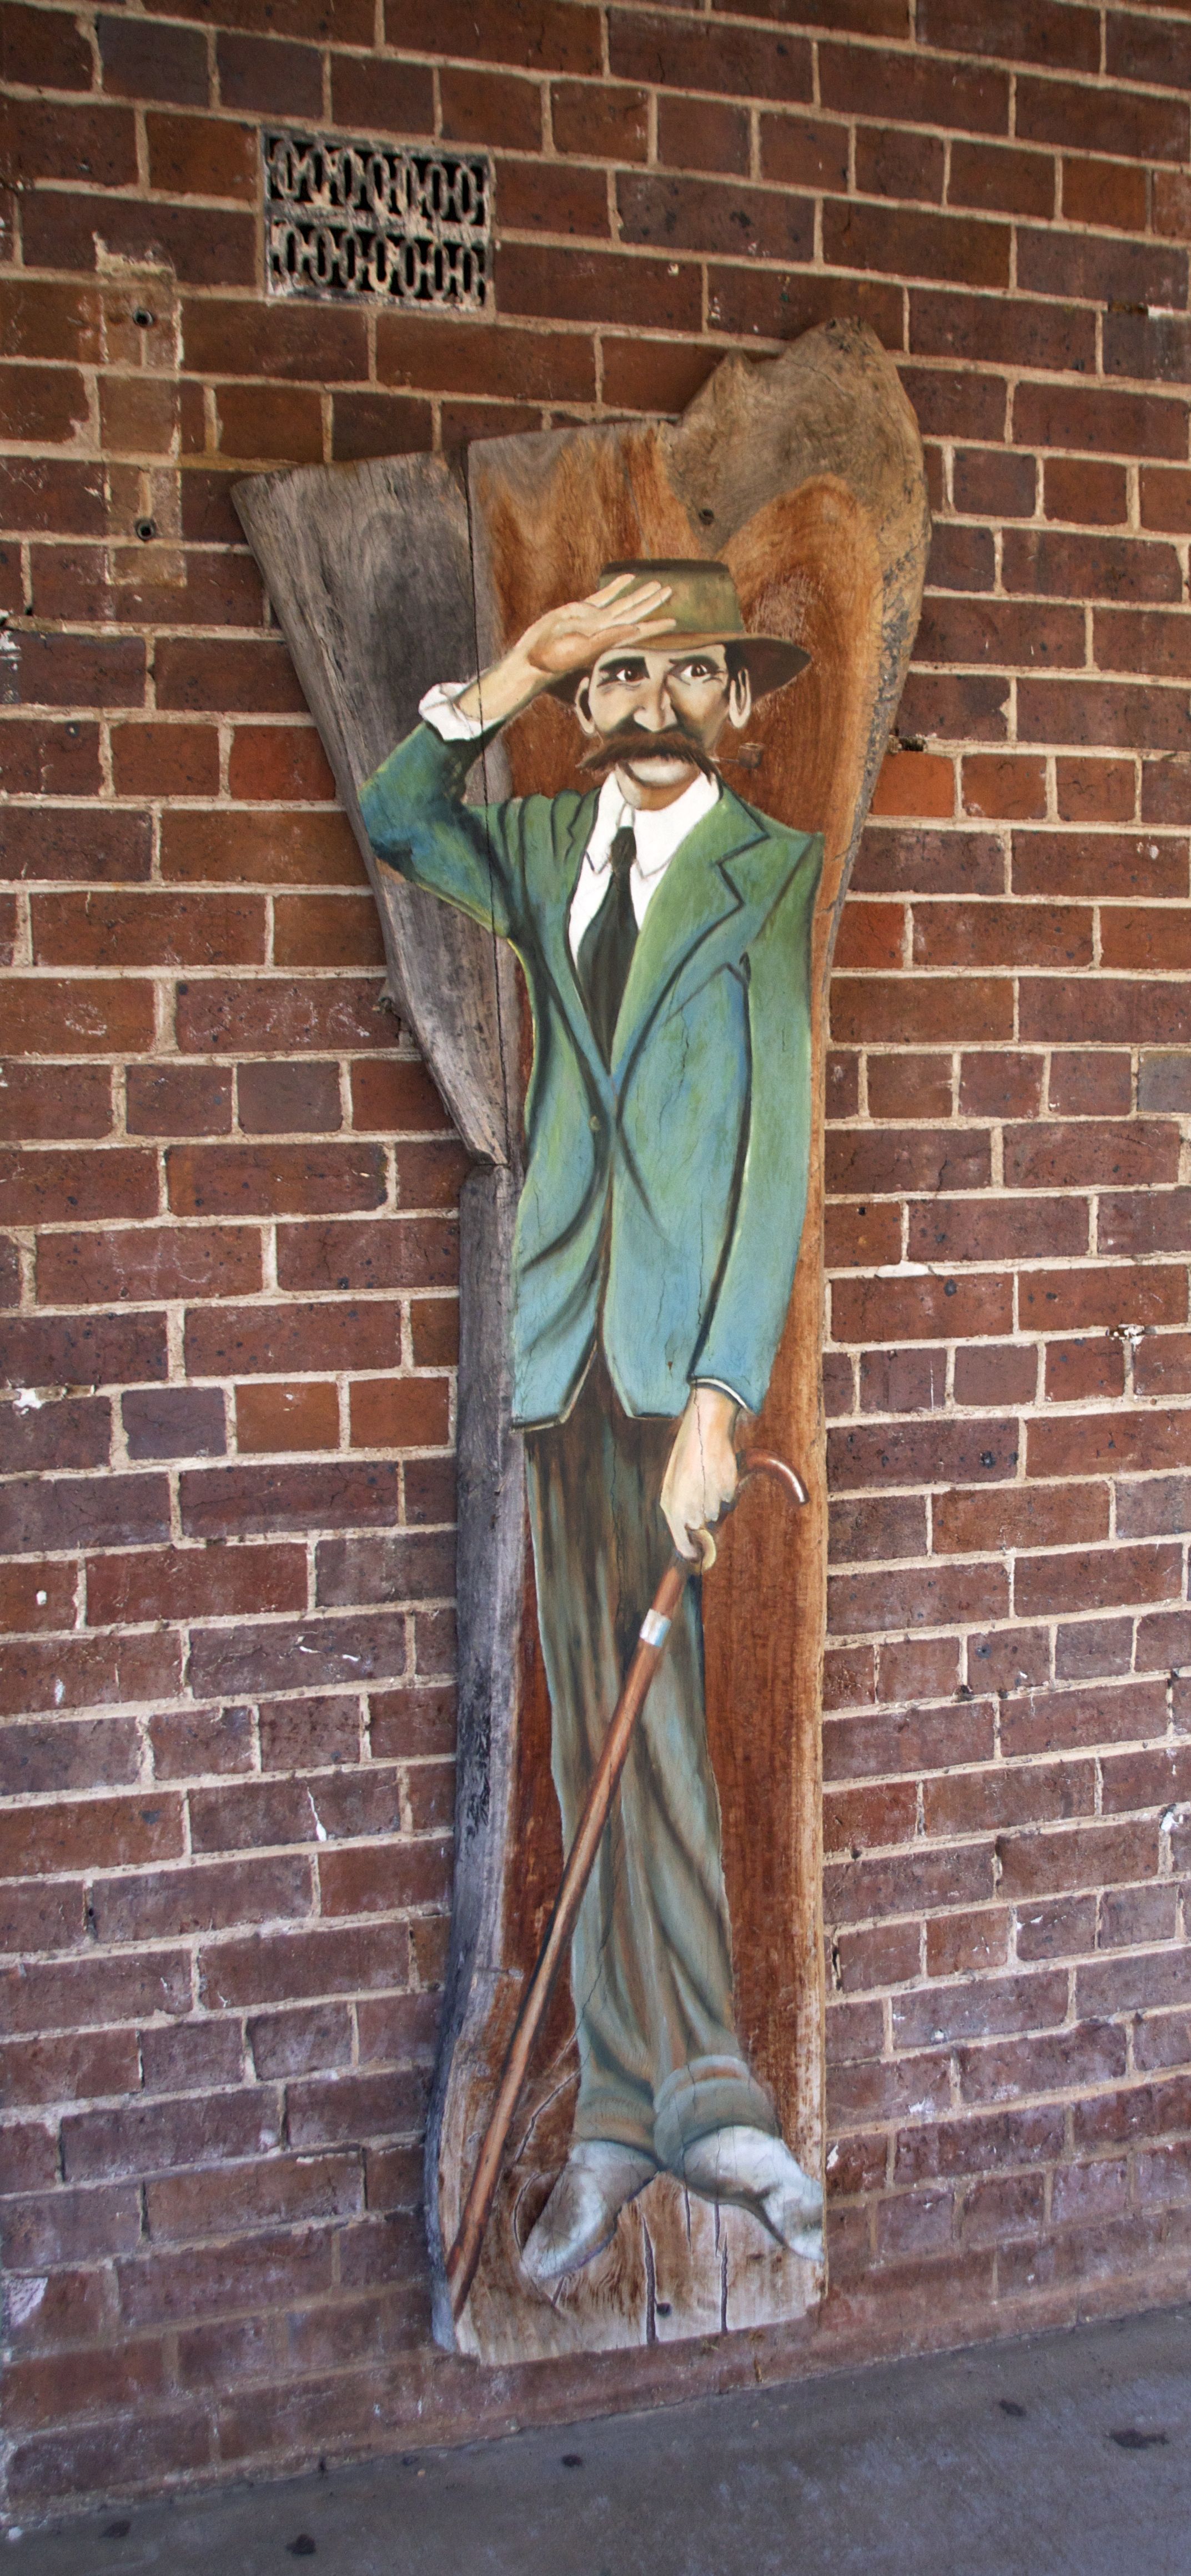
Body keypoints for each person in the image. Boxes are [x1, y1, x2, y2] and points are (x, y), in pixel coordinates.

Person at [359, 561, 825, 2291]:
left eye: (688, 672)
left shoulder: (769, 874)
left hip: (676, 1363)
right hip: (563, 1340)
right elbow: (398, 817)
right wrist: (508, 671)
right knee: (587, 1727)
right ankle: (625, 2108)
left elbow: (774, 1149)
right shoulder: (542, 848)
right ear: (579, 706)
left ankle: (707, 2088)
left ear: (735, 700)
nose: (651, 704)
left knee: (664, 1715)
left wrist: (722, 1396)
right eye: (617, 677)